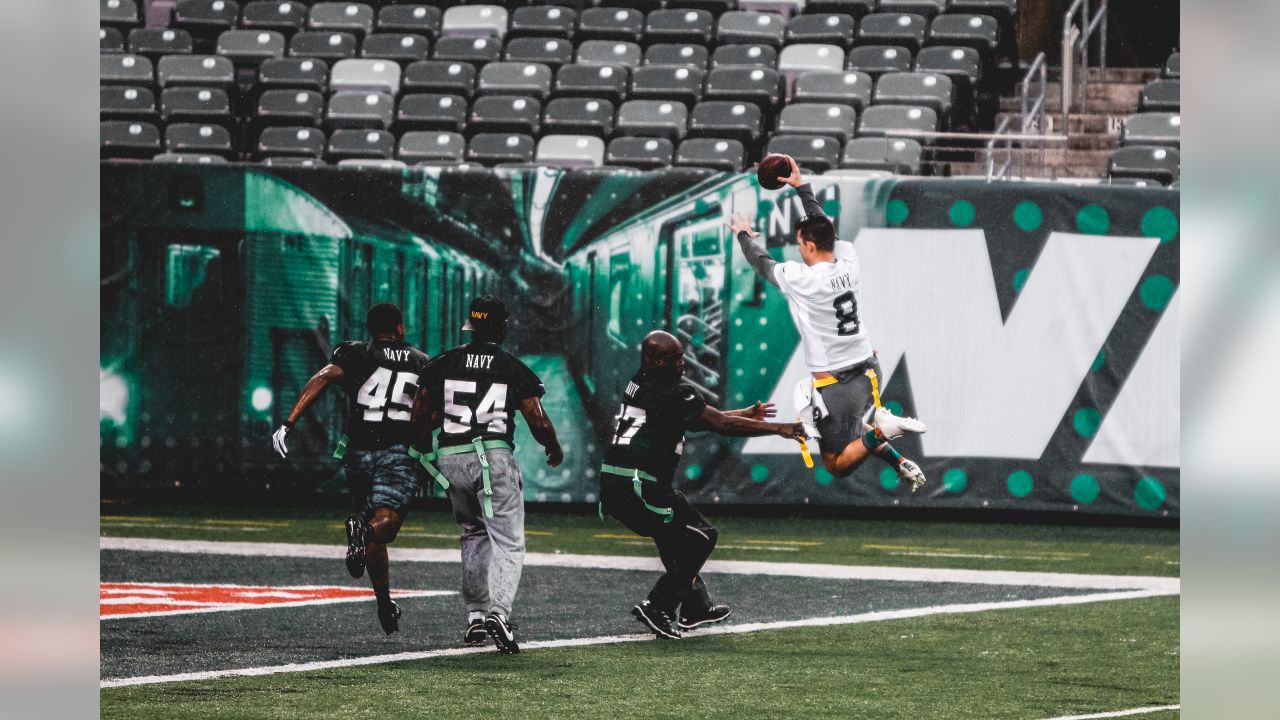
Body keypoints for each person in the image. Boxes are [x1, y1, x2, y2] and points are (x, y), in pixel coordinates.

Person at [729, 156, 928, 489]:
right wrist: (802, 187)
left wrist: (744, 235)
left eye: (800, 245)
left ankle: (884, 429)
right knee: (848, 430)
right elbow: (823, 227)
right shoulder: (849, 259)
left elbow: (762, 263)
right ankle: (898, 460)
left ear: (808, 245)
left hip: (837, 380)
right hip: (868, 368)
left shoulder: (803, 279)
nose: (799, 250)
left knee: (836, 463)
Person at [599, 330, 806, 640]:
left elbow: (705, 418)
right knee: (700, 537)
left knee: (675, 535)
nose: (683, 363)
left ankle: (695, 606)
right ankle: (658, 605)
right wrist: (780, 428)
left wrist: (743, 414)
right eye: (674, 358)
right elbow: (720, 424)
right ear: (655, 359)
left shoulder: (641, 381)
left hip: (624, 480)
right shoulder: (672, 390)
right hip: (638, 483)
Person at [411, 295, 562, 654]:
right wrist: (553, 445)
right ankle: (499, 613)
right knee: (508, 540)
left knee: (473, 533)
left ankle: (476, 616)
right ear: (503, 326)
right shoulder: (510, 365)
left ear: (470, 325)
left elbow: (419, 416)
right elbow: (537, 418)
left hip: (450, 457)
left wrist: (424, 456)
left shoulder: (441, 363)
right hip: (492, 456)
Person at [271, 302, 429, 635]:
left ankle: (384, 603)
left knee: (370, 522)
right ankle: (364, 533)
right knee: (384, 525)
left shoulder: (357, 353)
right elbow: (430, 410)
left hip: (359, 451)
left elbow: (324, 376)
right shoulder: (420, 361)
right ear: (400, 328)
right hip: (396, 450)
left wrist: (288, 422)